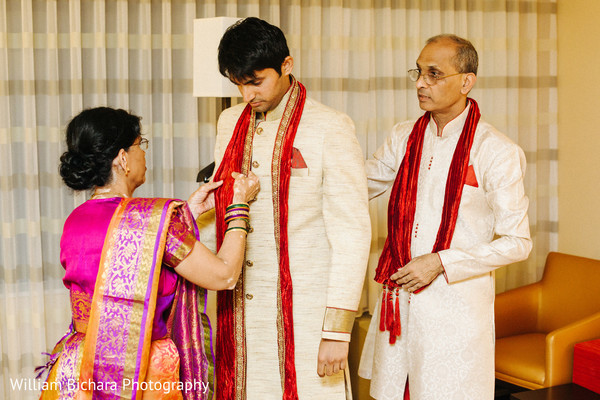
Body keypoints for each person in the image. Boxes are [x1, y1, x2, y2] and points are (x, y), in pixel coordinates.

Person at [197, 17, 371, 399]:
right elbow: (221, 208)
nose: (246, 95)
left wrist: (337, 330)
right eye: (238, 83)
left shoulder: (330, 126)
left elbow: (352, 233)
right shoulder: (229, 122)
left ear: (286, 66)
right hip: (238, 307)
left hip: (306, 311)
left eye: (255, 81)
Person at [38, 107, 259, 400]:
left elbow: (132, 258)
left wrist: (188, 214)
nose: (144, 153)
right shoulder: (151, 221)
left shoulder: (76, 219)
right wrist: (238, 206)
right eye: (140, 144)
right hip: (142, 372)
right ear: (122, 158)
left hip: (82, 368)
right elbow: (224, 275)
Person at [358, 35, 532, 399]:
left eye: (434, 74)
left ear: (466, 81)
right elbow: (357, 184)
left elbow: (517, 242)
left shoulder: (496, 151)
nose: (421, 83)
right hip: (399, 303)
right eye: (419, 72)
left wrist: (440, 262)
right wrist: (306, 169)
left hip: (454, 311)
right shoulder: (404, 136)